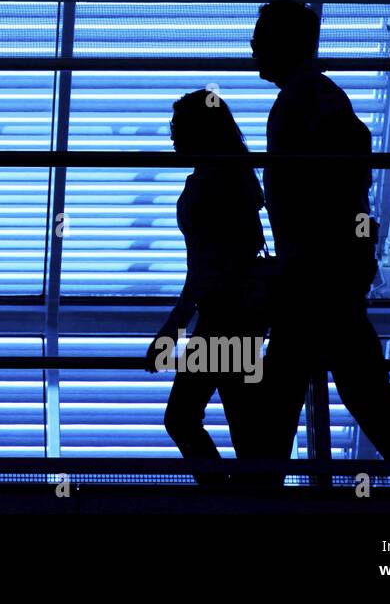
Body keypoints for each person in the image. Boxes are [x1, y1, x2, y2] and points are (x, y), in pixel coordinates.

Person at [249, 0, 390, 490]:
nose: (253, 47)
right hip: (327, 277)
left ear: (285, 42)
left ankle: (256, 497)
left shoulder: (301, 103)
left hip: (313, 280)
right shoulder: (321, 98)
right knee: (360, 394)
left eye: (261, 36)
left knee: (289, 392)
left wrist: (305, 262)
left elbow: (323, 192)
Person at [145, 90, 268, 486]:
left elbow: (203, 268)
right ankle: (246, 498)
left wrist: (172, 329)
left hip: (223, 315)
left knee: (185, 416)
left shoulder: (212, 184)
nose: (172, 137)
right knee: (240, 416)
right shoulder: (231, 178)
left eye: (178, 128)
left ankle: (231, 497)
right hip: (238, 313)